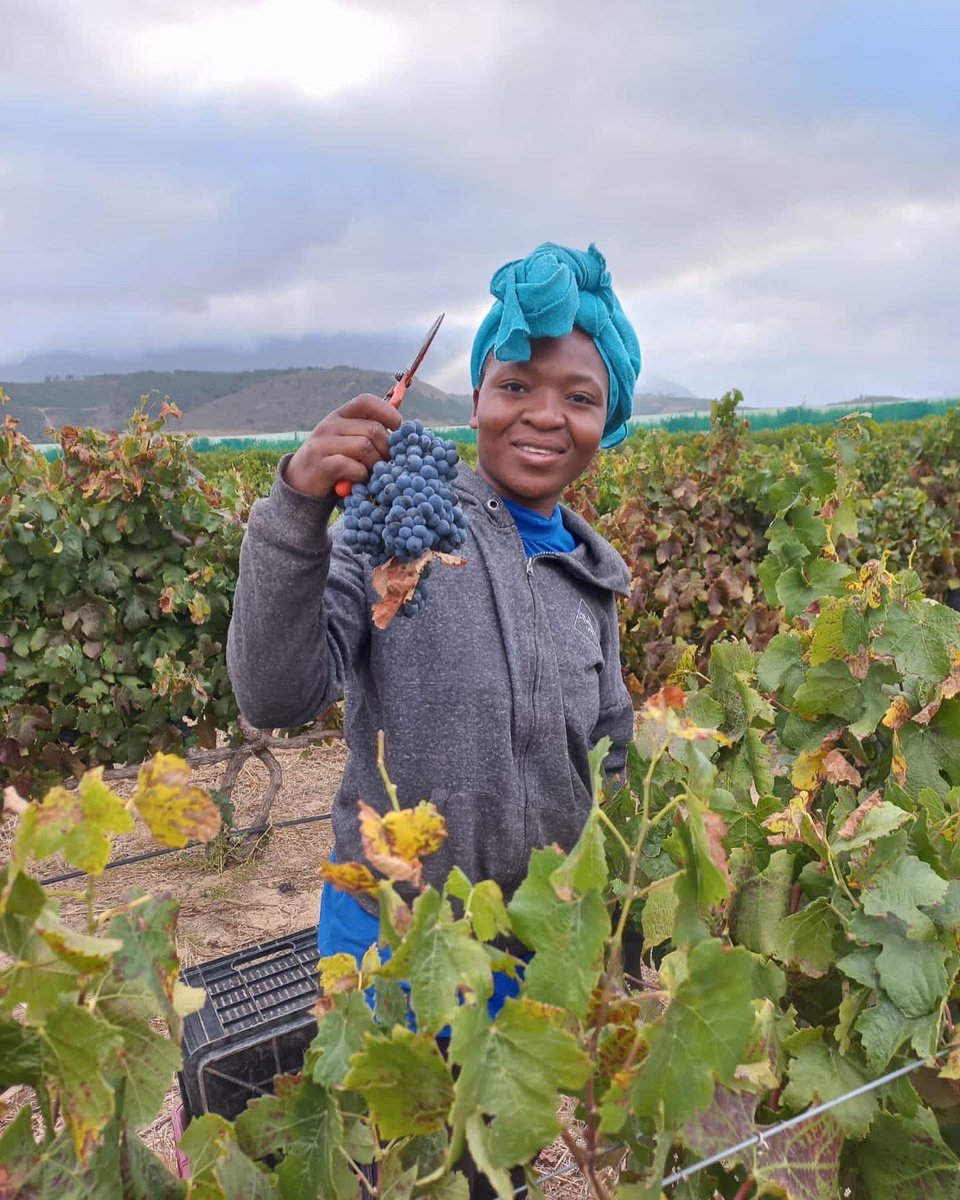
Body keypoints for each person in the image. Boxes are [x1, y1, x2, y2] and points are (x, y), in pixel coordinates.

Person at [226, 241, 639, 1161]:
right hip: (397, 939)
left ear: (606, 421)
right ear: (480, 399)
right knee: (407, 1166)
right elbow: (275, 693)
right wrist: (297, 508)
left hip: (532, 942)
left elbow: (610, 755)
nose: (544, 416)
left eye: (579, 397)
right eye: (516, 386)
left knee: (498, 1162)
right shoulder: (400, 520)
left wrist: (613, 922)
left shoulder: (589, 578)